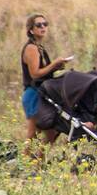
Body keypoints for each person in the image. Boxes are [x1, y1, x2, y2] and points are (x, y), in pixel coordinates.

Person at [21, 13, 72, 144]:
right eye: (38, 25)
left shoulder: (39, 47)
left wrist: (55, 68)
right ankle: (26, 163)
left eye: (45, 24)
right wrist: (54, 64)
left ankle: (39, 162)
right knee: (33, 134)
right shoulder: (31, 48)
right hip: (34, 93)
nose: (43, 27)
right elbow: (35, 74)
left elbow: (43, 71)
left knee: (51, 132)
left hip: (43, 92)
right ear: (31, 30)